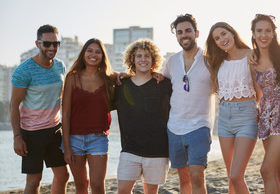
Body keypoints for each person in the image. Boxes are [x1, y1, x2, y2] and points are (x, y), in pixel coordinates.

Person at [10, 24, 69, 194]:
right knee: (35, 179)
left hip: (55, 130)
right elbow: (14, 104)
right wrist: (17, 136)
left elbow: (63, 98)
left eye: (56, 44)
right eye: (47, 44)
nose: (52, 48)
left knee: (63, 175)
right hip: (32, 132)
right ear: (38, 44)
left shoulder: (60, 66)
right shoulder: (24, 70)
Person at [204, 22, 259, 194]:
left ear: (233, 33)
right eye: (217, 38)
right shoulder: (218, 62)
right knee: (230, 177)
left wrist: (254, 108)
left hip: (246, 116)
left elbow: (260, 91)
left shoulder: (251, 55)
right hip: (225, 117)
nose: (222, 39)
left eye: (224, 34)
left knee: (236, 176)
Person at [163, 14, 214, 194]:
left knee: (197, 177)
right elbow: (162, 85)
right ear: (176, 36)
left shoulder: (210, 61)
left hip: (199, 127)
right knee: (183, 180)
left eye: (188, 31)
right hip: (174, 128)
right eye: (179, 32)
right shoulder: (171, 61)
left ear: (196, 33)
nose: (184, 35)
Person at [114, 39, 172, 194]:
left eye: (147, 56)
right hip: (129, 148)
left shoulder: (163, 84)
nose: (143, 59)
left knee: (151, 191)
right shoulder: (121, 86)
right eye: (139, 56)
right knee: (122, 190)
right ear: (132, 59)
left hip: (157, 149)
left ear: (153, 60)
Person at [61, 38, 117, 193]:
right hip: (74, 140)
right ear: (84, 53)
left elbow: (130, 78)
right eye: (90, 51)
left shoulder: (108, 79)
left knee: (98, 184)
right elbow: (65, 113)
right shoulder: (72, 77)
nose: (94, 54)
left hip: (98, 138)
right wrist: (66, 147)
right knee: (81, 185)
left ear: (102, 56)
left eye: (98, 52)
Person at [250, 14, 280, 193]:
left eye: (268, 31)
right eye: (259, 31)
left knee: (266, 170)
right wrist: (255, 108)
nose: (264, 35)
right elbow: (258, 94)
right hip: (266, 118)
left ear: (274, 33)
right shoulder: (252, 61)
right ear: (253, 34)